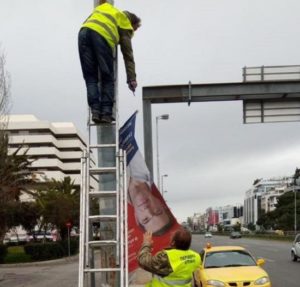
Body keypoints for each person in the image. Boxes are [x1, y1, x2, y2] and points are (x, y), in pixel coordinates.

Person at [78, 2, 141, 124]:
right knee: (107, 76)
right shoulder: (124, 22)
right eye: (134, 30)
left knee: (90, 77)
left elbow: (90, 24)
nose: (132, 32)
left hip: (83, 34)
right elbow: (128, 55)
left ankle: (95, 111)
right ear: (132, 23)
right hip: (101, 36)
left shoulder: (106, 8)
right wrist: (131, 78)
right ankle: (106, 113)